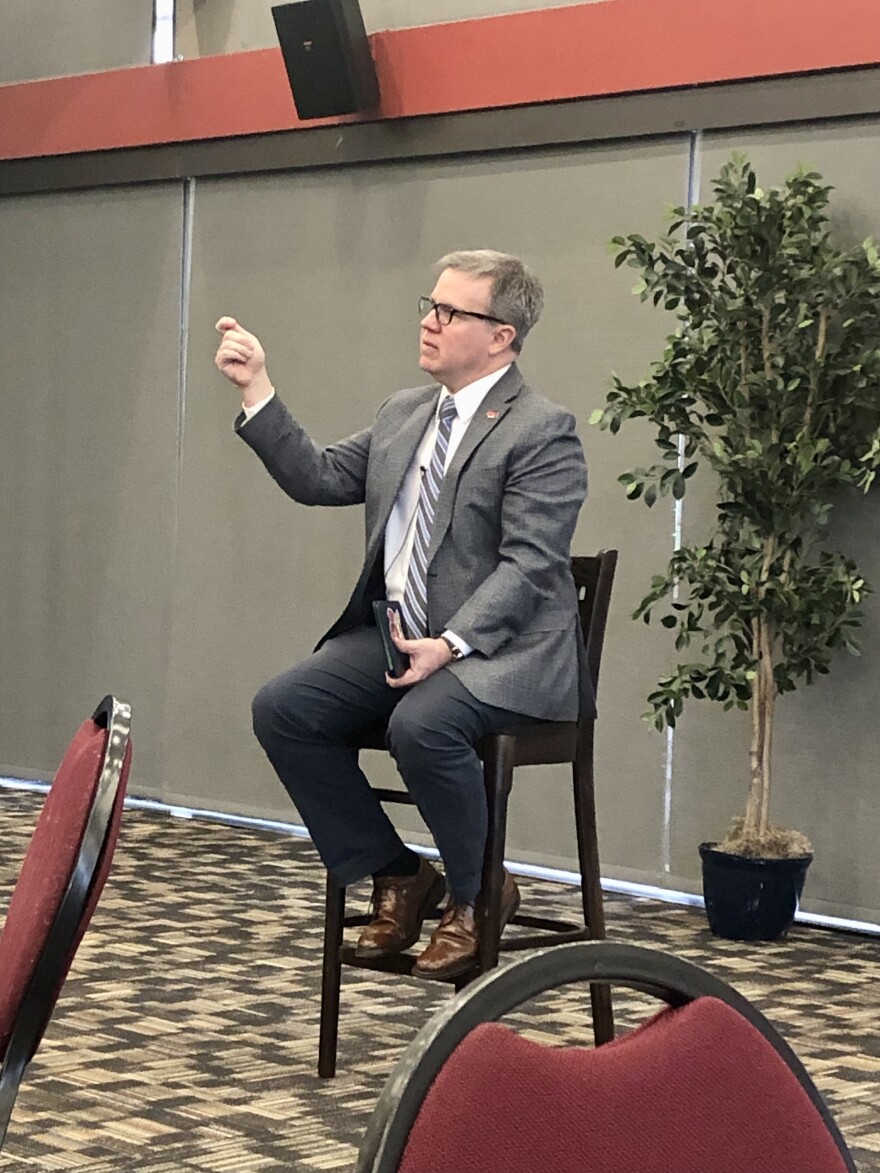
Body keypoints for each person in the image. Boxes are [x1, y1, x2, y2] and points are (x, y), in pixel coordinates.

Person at [214, 249, 589, 980]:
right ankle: (397, 873)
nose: (429, 320)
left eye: (450, 312)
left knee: (421, 723)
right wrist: (257, 387)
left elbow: (532, 565)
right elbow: (318, 476)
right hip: (397, 636)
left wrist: (450, 643)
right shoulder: (403, 413)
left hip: (501, 651)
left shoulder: (542, 429)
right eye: (430, 303)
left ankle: (479, 893)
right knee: (285, 708)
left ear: (501, 336)